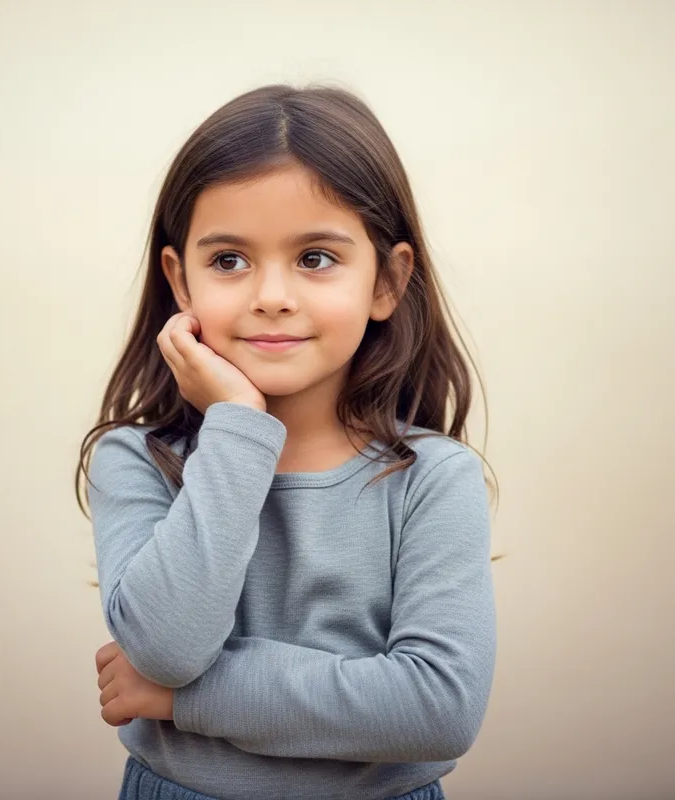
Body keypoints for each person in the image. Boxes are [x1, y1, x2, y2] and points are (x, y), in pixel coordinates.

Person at [76, 83, 498, 800]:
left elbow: (437, 709)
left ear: (387, 282)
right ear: (180, 281)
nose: (271, 294)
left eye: (314, 259)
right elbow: (166, 645)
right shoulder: (138, 462)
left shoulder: (432, 477)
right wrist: (239, 423)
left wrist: (185, 699)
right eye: (230, 261)